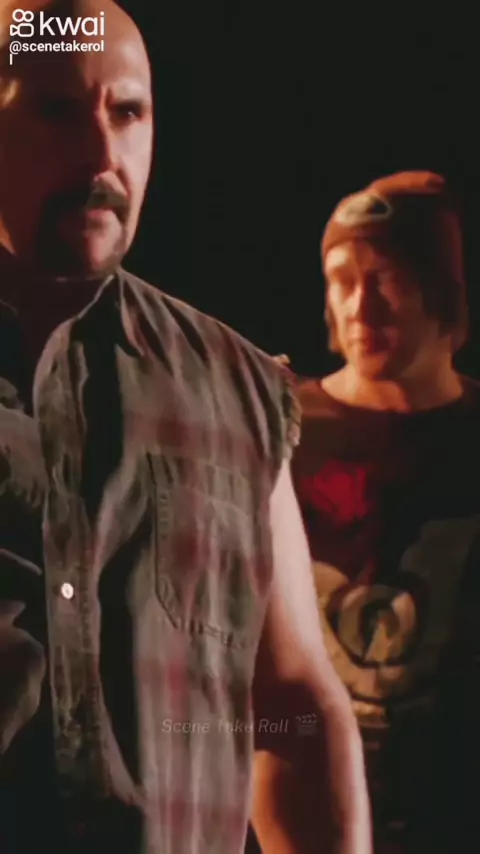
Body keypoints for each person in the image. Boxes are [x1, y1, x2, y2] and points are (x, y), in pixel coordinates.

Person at [0, 2, 371, 852]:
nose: (102, 154)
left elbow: (290, 708)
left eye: (128, 113)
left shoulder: (237, 388)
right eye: (56, 111)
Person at [292, 170, 480, 853]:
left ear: (443, 291)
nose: (361, 306)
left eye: (388, 278)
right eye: (342, 280)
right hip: (308, 808)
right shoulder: (280, 429)